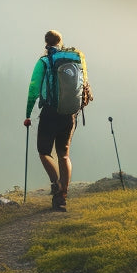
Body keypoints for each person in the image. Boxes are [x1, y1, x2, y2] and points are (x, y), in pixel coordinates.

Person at [24, 29, 87, 212]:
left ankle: (56, 184)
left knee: (44, 152)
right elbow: (84, 85)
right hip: (69, 114)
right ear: (61, 42)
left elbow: (34, 88)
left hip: (50, 113)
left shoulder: (44, 61)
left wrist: (28, 114)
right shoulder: (76, 58)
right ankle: (62, 197)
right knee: (64, 155)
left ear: (46, 42)